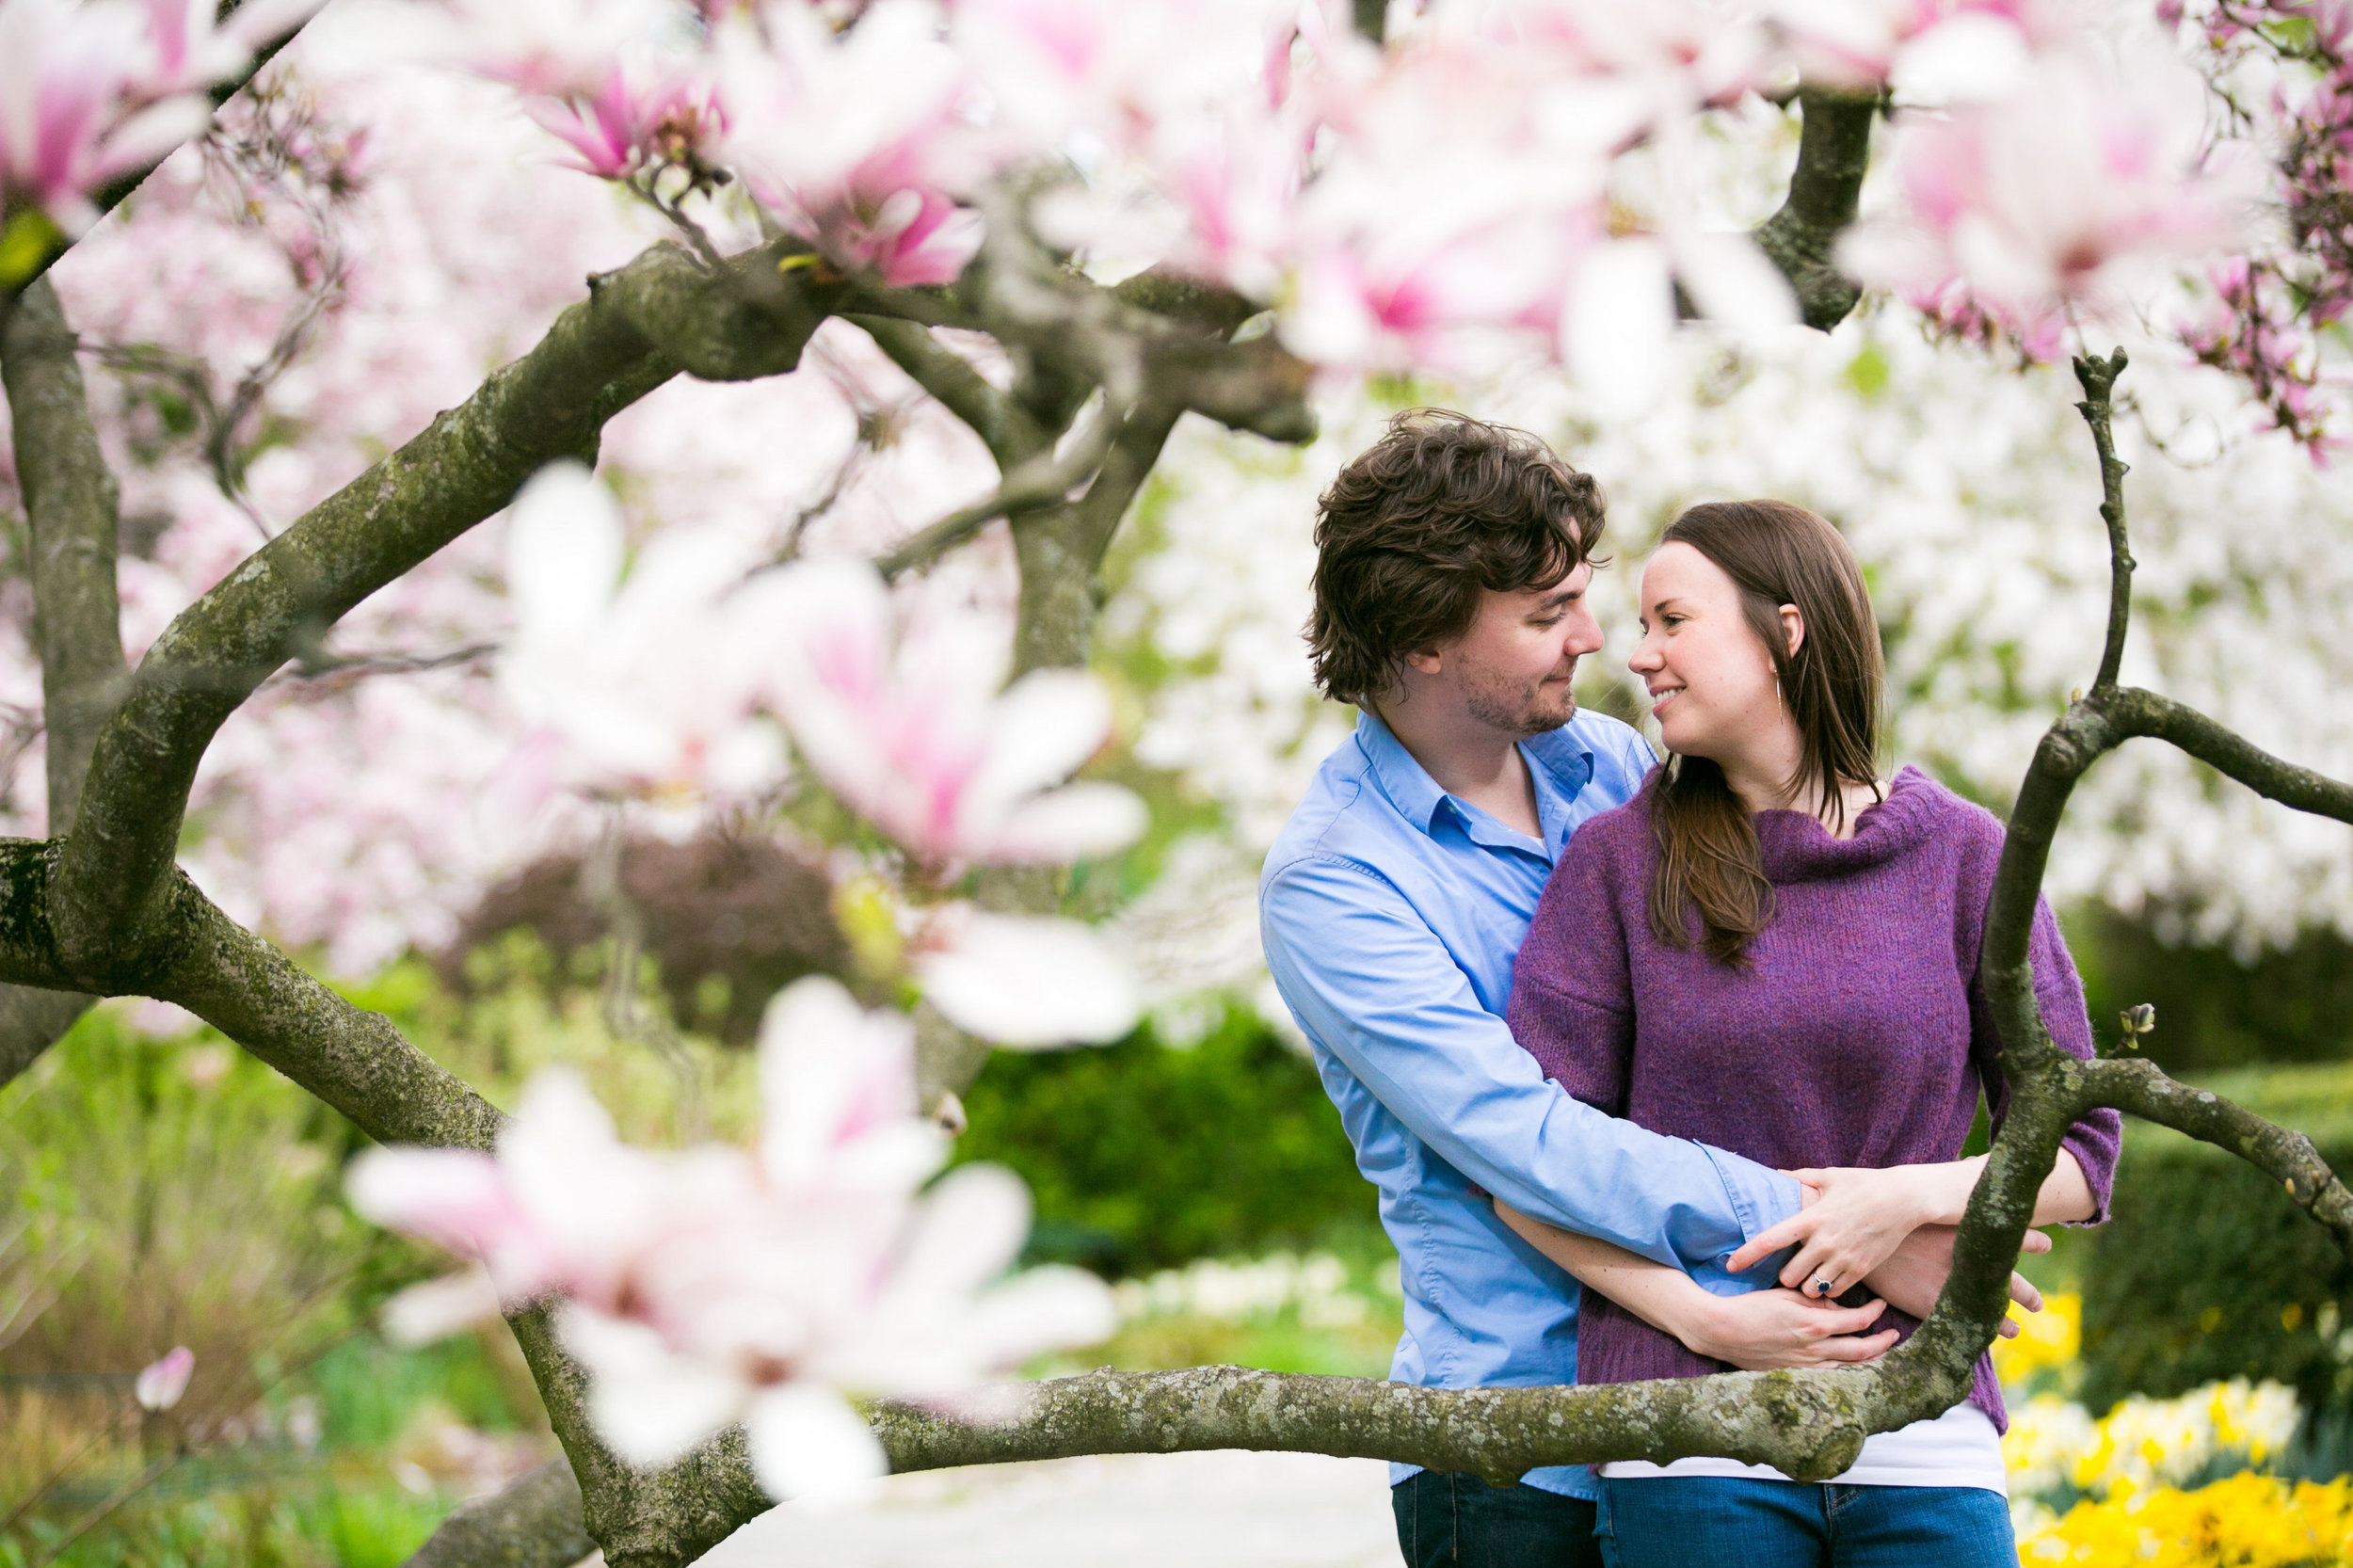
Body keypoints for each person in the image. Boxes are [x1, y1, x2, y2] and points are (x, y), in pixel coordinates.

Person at [1257, 415, 2035, 1568]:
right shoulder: (1335, 882)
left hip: (1721, 1399)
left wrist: (1874, 1209)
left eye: (1588, 594)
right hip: (1512, 1445)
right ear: (1424, 638)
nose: (1594, 638)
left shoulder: (1617, 771)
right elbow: (1523, 1139)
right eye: (1543, 612)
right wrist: (1844, 1229)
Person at [1497, 499, 2124, 1567]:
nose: (1638, 655)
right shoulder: (1615, 865)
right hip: (1690, 1433)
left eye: (1672, 621)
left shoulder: (1966, 856)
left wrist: (1903, 1199)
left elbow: (2081, 1152)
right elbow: (1522, 1167)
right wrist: (1701, 1319)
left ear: (1786, 632)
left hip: (1923, 1430)